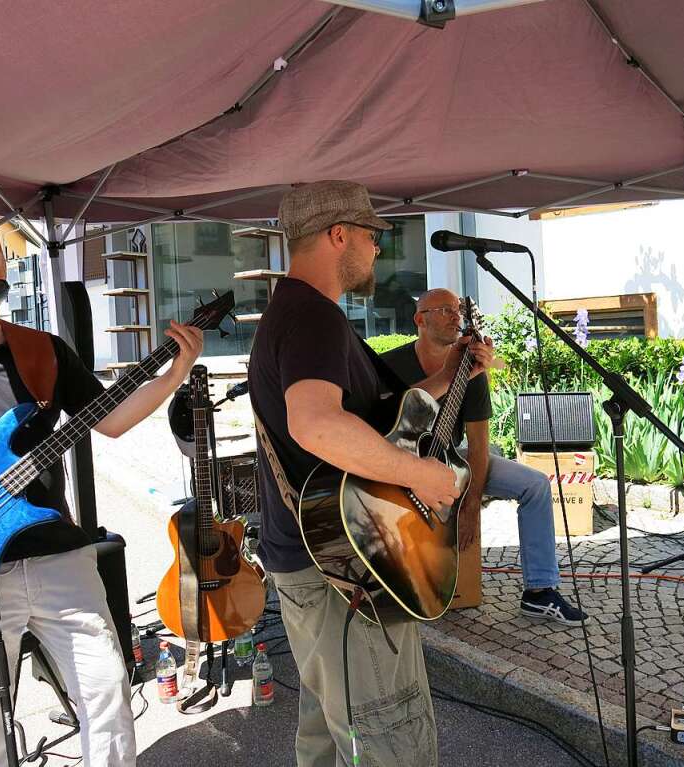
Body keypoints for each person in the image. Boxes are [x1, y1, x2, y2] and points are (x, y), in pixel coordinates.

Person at [0, 221, 203, 766]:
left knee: (107, 696)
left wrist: (174, 373)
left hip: (57, 554)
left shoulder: (43, 352)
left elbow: (111, 421)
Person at [247, 181, 493, 766]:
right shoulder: (312, 318)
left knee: (331, 733)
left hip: (323, 562)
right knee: (390, 735)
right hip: (344, 572)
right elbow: (316, 425)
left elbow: (382, 417)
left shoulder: (302, 314)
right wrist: (423, 475)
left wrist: (449, 374)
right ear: (338, 236)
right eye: (370, 235)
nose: (377, 248)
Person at [382, 288, 586, 623]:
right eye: (444, 309)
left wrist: (472, 502)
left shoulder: (470, 370)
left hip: (452, 457)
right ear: (420, 319)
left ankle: (540, 591)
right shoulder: (392, 364)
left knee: (535, 485)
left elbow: (478, 446)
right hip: (400, 463)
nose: (454, 316)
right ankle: (412, 584)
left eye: (457, 310)